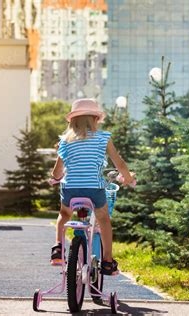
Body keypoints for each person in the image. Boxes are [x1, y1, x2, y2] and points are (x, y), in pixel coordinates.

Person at [49, 98, 134, 276]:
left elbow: (57, 172)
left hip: (70, 190)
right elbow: (119, 163)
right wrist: (127, 178)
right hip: (94, 189)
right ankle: (108, 262)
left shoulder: (65, 141)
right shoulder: (103, 138)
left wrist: (57, 177)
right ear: (95, 119)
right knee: (103, 221)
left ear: (72, 121)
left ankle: (57, 249)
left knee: (63, 215)